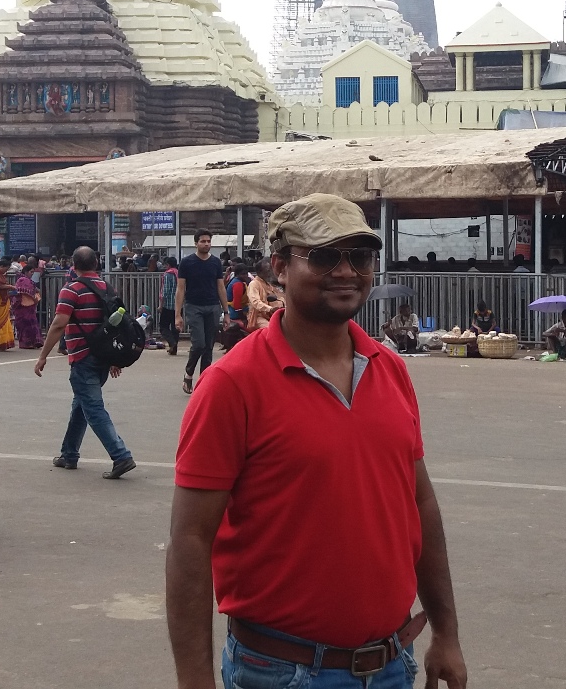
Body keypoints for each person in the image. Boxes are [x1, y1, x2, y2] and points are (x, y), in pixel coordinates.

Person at [167, 193, 465, 689]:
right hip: (282, 672)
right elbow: (190, 540)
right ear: (281, 267)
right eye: (324, 256)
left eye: (360, 257)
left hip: (393, 666)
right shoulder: (231, 385)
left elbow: (420, 504)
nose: (346, 271)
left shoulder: (390, 369)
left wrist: (447, 633)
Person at [34, 246, 136, 480]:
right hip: (103, 357)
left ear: (73, 265)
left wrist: (43, 355)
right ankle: (69, 454)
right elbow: (116, 326)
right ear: (96, 264)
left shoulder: (71, 290)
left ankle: (120, 455)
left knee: (93, 408)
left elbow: (59, 323)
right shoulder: (107, 288)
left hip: (83, 356)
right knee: (81, 406)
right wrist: (115, 359)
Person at [176, 230, 231, 395]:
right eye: (203, 241)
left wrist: (226, 312)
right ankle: (189, 373)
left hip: (213, 306)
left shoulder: (215, 262)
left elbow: (221, 287)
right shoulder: (186, 262)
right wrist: (177, 315)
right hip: (194, 307)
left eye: (208, 241)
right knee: (199, 343)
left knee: (208, 346)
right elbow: (180, 289)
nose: (206, 244)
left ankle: (204, 381)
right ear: (196, 243)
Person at [244, 263, 282, 333]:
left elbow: (279, 296)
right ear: (260, 272)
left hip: (270, 315)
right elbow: (255, 302)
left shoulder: (268, 284)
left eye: (270, 270)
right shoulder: (254, 284)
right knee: (271, 330)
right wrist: (270, 309)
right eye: (267, 270)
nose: (270, 272)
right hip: (257, 317)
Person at [12, 266, 42, 349]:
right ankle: (26, 343)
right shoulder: (22, 280)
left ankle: (32, 342)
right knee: (25, 324)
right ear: (25, 271)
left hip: (29, 306)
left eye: (33, 272)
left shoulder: (27, 280)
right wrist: (34, 298)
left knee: (30, 324)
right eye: (31, 272)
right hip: (23, 306)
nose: (32, 274)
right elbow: (22, 292)